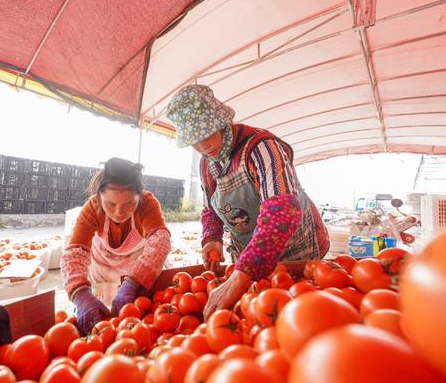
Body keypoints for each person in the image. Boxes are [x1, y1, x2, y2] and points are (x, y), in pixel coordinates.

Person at [167, 84, 330, 317]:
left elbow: (282, 211)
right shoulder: (206, 164)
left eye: (206, 134)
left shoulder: (262, 148)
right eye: (194, 140)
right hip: (247, 259)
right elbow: (210, 209)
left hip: (294, 249)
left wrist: (241, 276)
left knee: (300, 314)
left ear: (221, 122)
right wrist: (211, 238)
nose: (202, 145)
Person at [61, 157, 171, 333]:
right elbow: (74, 252)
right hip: (103, 266)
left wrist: (134, 282)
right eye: (110, 204)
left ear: (139, 197)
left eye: (129, 204)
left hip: (140, 267)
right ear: (99, 196)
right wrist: (79, 292)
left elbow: (160, 241)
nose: (119, 212)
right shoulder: (92, 208)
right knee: (100, 319)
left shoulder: (147, 203)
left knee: (136, 321)